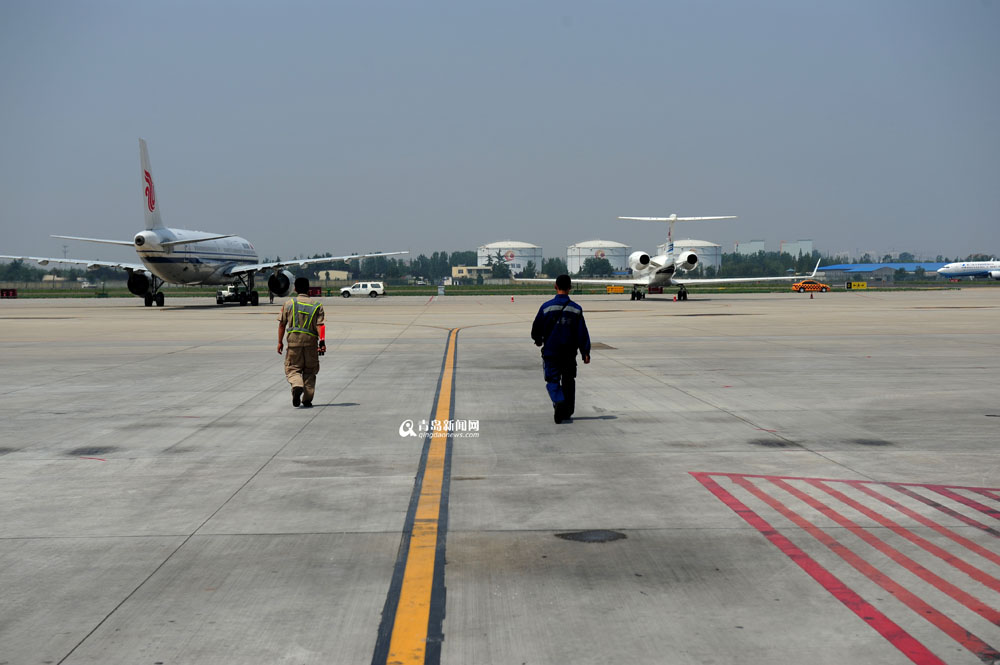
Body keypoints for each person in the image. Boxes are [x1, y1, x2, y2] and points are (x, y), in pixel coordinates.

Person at [530, 274, 591, 423]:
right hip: (569, 354)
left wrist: (538, 340)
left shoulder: (546, 307)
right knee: (569, 381)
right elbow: (581, 332)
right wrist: (585, 352)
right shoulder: (576, 309)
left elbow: (536, 328)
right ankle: (567, 410)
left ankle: (559, 401)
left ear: (555, 286)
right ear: (570, 288)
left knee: (552, 380)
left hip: (551, 352)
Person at [277, 277, 326, 407]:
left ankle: (297, 385)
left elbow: (282, 324)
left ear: (295, 289)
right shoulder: (317, 306)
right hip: (311, 343)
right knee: (310, 371)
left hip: (294, 343)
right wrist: (322, 343)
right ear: (308, 289)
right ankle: (307, 399)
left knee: (293, 369)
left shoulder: (288, 304)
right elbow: (320, 326)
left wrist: (280, 342)